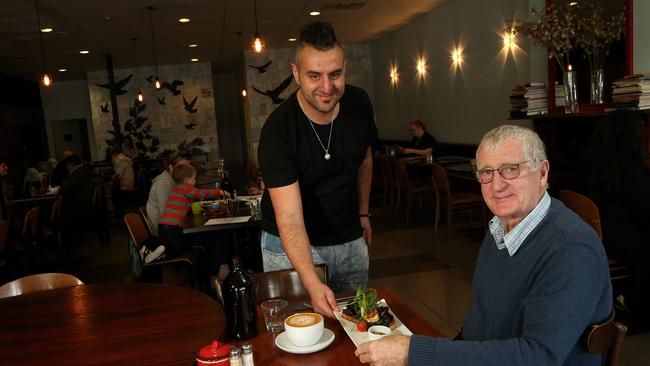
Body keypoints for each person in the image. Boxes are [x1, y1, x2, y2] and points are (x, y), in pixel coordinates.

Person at [355, 125, 612, 365]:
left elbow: (538, 356)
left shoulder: (571, 250)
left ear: (542, 173)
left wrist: (416, 353)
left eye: (511, 169)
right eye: (486, 172)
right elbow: (480, 324)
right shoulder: (499, 227)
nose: (497, 186)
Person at [258, 21, 377, 319]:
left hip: (349, 238)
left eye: (335, 74)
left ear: (345, 68)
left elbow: (364, 158)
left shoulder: (359, 103)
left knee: (356, 325)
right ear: (296, 73)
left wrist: (363, 213)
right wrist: (311, 281)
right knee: (301, 337)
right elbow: (288, 218)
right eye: (314, 75)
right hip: (291, 245)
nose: (327, 87)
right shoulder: (278, 130)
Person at [580, 109, 650, 325]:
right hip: (621, 239)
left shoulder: (589, 160)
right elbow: (646, 208)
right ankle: (637, 306)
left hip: (598, 232)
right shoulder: (631, 167)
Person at [158, 163, 229, 260]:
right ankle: (214, 271)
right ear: (187, 180)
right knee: (213, 237)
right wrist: (220, 192)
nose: (195, 181)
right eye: (194, 178)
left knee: (208, 237)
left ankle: (163, 253)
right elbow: (201, 193)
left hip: (164, 227)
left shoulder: (176, 188)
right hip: (172, 230)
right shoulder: (185, 188)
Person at [146, 152, 192, 236]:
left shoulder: (175, 180)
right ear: (171, 167)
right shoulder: (163, 184)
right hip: (166, 235)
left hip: (172, 229)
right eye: (181, 168)